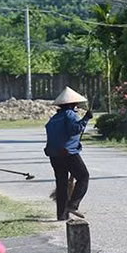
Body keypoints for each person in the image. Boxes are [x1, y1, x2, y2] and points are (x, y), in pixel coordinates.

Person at [44, 86, 92, 221]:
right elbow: (75, 129)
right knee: (83, 176)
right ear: (72, 104)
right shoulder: (70, 114)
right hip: (68, 153)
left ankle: (61, 215)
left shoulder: (54, 118)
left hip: (54, 155)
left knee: (62, 184)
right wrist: (86, 118)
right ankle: (73, 204)